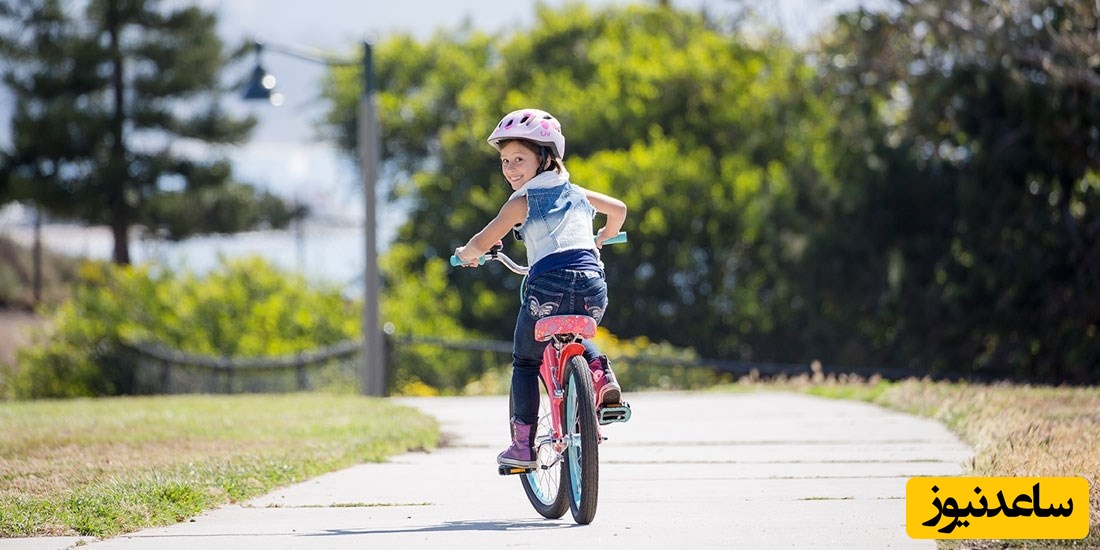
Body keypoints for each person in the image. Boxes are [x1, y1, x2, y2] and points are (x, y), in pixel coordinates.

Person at [454, 108, 628, 469]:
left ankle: (522, 447)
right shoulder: (577, 193)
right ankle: (600, 375)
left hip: (547, 285)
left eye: (519, 158)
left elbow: (484, 240)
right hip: (594, 285)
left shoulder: (522, 202)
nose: (510, 168)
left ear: (545, 158)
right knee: (576, 327)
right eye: (504, 161)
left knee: (525, 360)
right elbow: (619, 209)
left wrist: (467, 254)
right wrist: (603, 237)